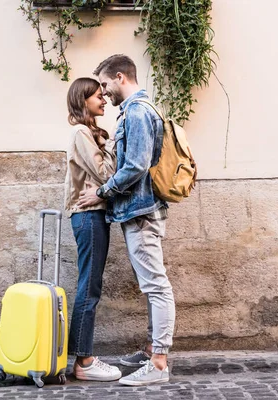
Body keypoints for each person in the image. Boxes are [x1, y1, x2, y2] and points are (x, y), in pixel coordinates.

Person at [77, 54, 175, 386]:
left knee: (156, 286)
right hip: (138, 210)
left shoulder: (136, 111)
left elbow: (134, 166)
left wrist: (102, 192)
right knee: (151, 286)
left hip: (141, 211)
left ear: (121, 77)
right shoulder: (135, 111)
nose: (103, 93)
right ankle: (151, 352)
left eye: (104, 85)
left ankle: (159, 364)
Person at [64, 77, 121, 382]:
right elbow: (103, 174)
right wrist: (112, 145)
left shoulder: (88, 132)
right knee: (89, 286)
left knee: (91, 284)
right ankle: (84, 360)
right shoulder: (81, 132)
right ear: (83, 100)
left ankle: (83, 357)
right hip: (88, 215)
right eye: (98, 96)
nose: (103, 99)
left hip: (93, 214)